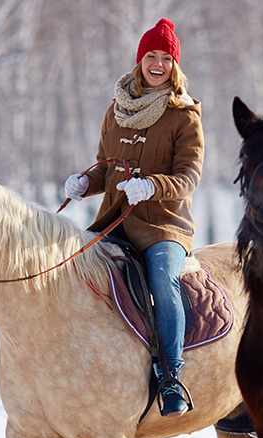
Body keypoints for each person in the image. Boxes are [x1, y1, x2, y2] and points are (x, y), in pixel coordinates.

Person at [64, 18, 203, 417]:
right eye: (150, 56)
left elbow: (189, 176)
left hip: (163, 225)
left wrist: (153, 187)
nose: (157, 64)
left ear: (174, 65)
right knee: (72, 272)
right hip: (114, 221)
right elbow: (104, 169)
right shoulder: (117, 109)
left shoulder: (184, 115)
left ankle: (171, 376)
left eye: (165, 58)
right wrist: (83, 182)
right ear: (139, 60)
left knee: (163, 278)